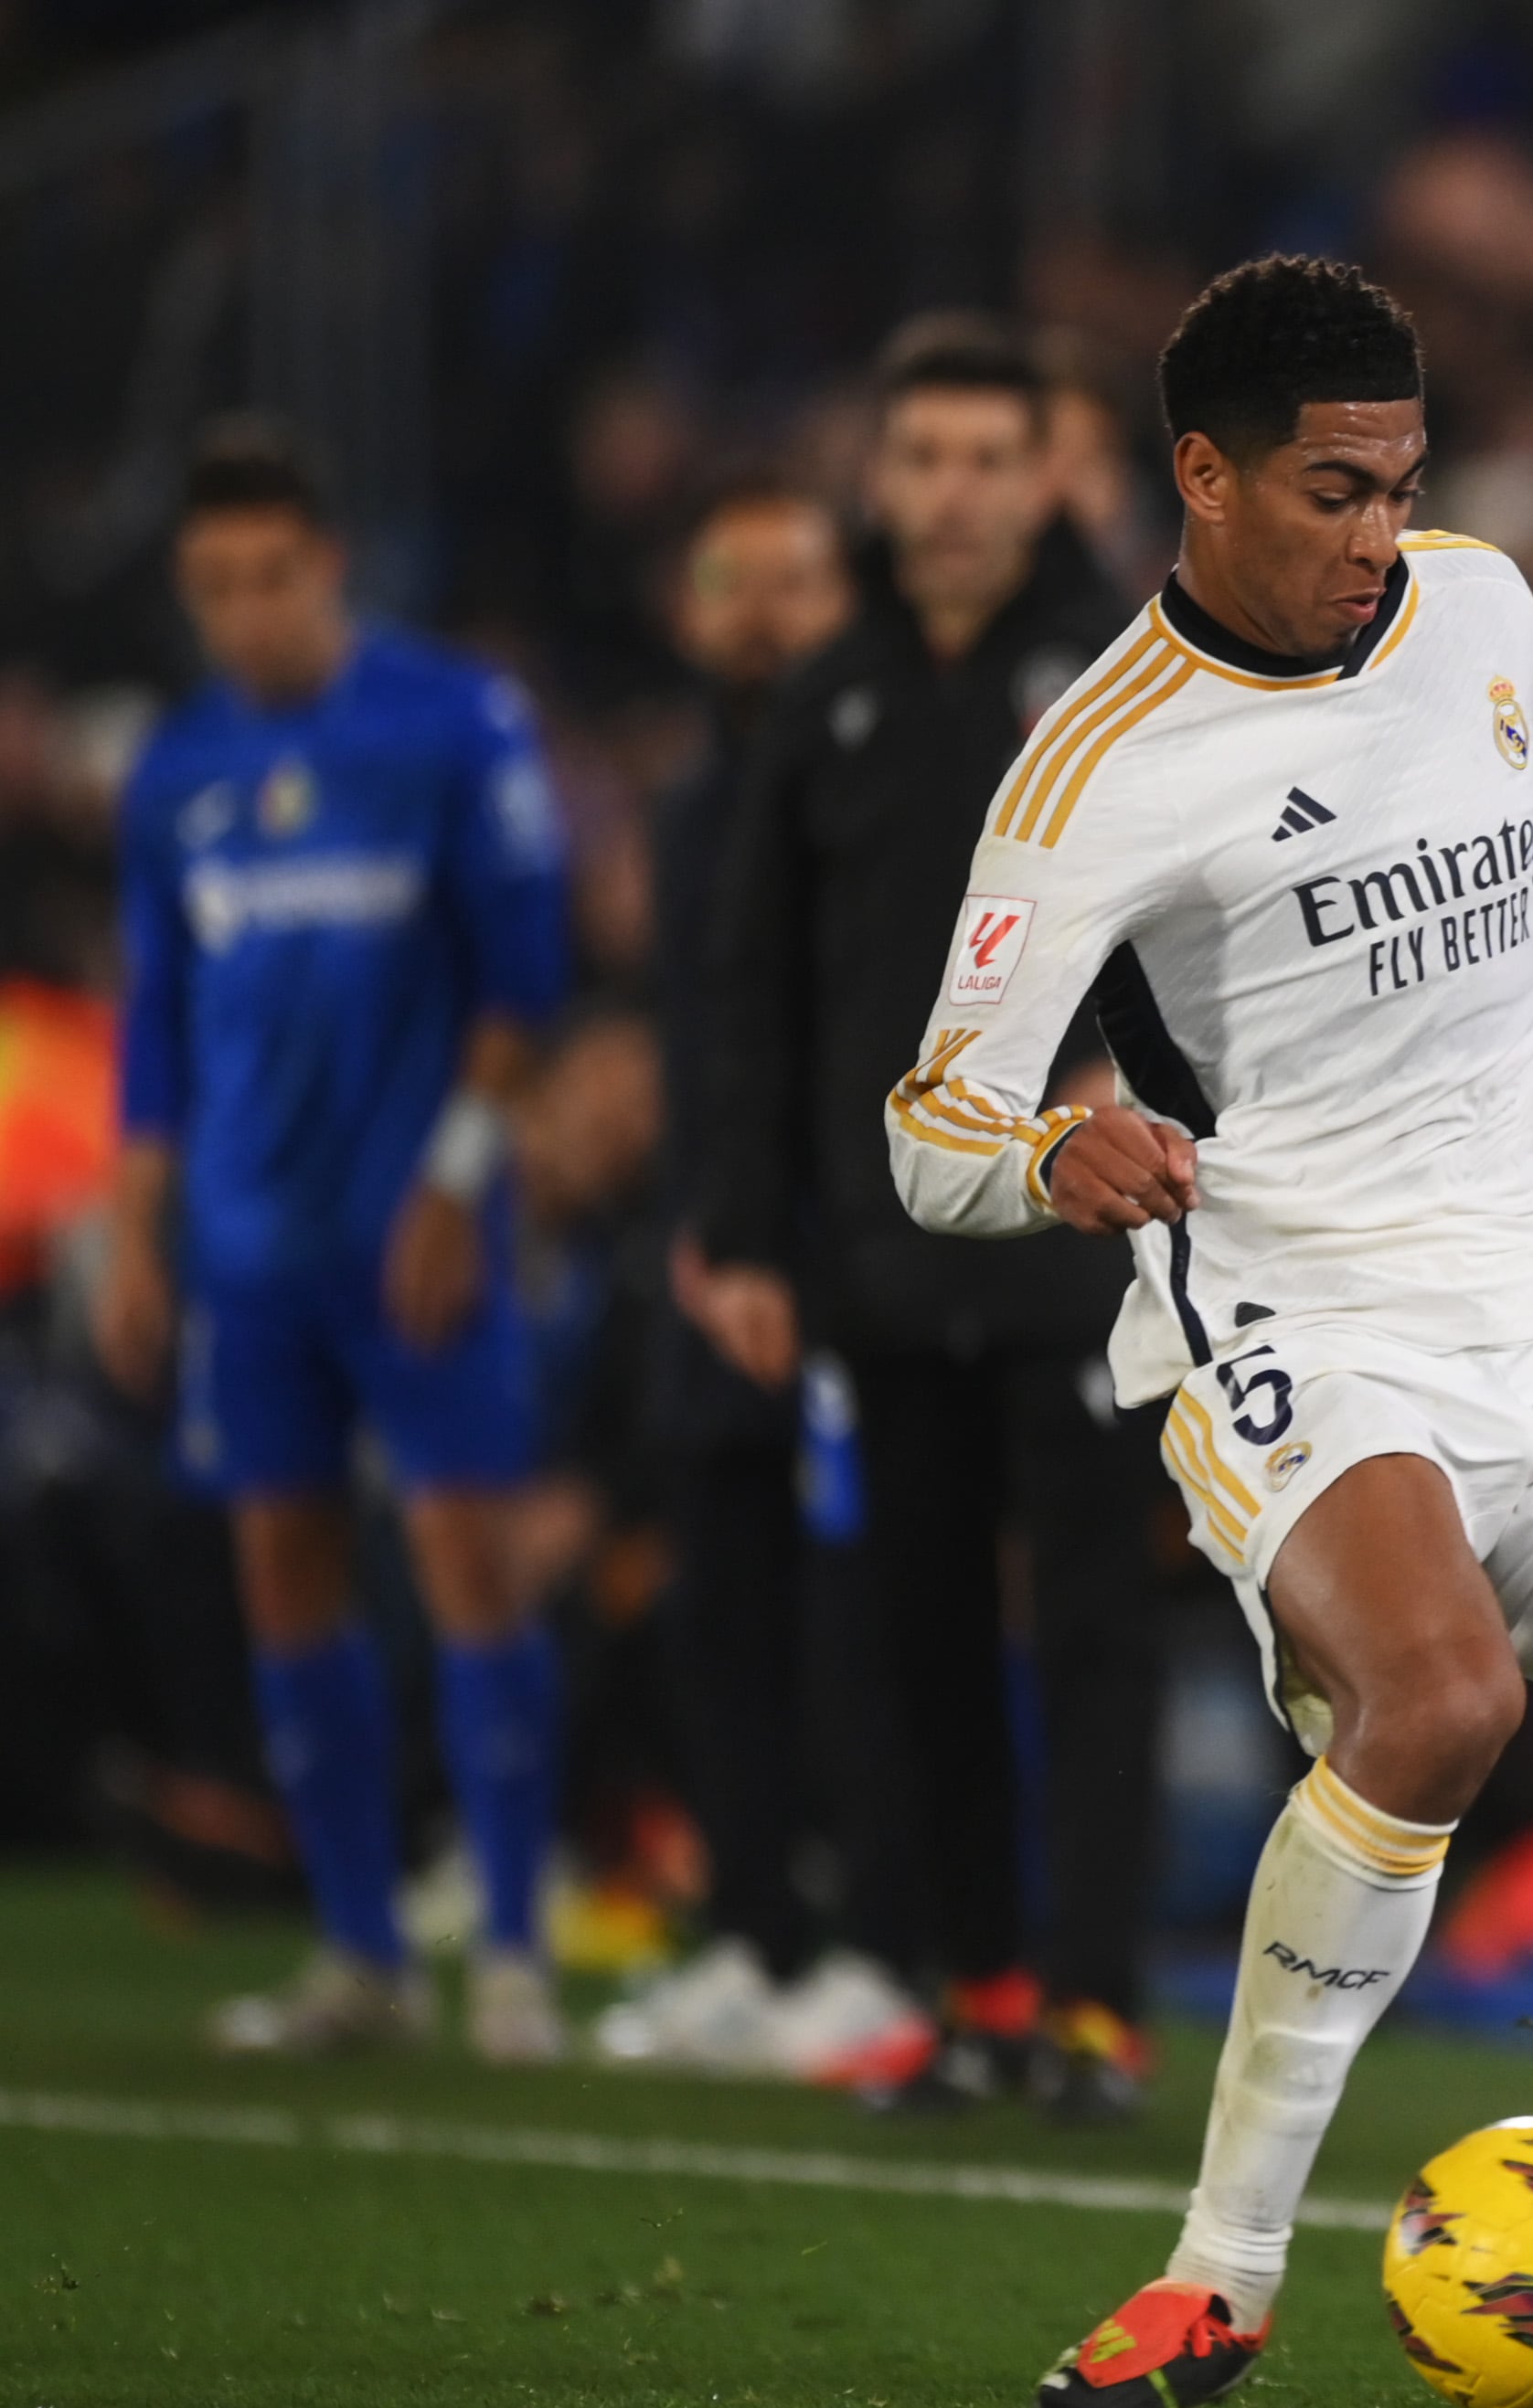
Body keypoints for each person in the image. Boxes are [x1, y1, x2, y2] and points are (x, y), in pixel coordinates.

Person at [882, 254, 1533, 2408]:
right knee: (1434, 1698)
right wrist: (1050, 1149)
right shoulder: (1090, 772)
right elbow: (925, 1130)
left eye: (1399, 485)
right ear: (1199, 474)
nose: (1378, 535)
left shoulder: (1482, 611)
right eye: (1334, 492)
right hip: (1294, 1303)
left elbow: (1474, 908)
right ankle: (1214, 2273)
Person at [689, 316, 1165, 2123]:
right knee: (922, 1632)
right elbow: (755, 983)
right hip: (889, 1253)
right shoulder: (826, 698)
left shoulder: (1119, 669)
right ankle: (976, 1995)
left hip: (1086, 1243)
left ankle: (1099, 2010)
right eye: (924, 459)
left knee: (1096, 1628)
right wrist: (741, 1227)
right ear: (876, 482)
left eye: (990, 456)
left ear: (1048, 471)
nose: (955, 493)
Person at [95, 428, 573, 2062]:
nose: (245, 613)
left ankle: (511, 1950)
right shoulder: (176, 772)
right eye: (214, 586)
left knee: (468, 1571)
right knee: (285, 1577)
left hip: (411, 1231)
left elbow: (524, 980)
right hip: (243, 1238)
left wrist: (455, 1180)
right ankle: (362, 1951)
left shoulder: (450, 722)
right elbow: (157, 1018)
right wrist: (135, 1232)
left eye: (270, 578)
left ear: (328, 567)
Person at [596, 477, 926, 2080]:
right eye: (733, 577)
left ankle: (875, 1941)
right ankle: (749, 1933)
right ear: (689, 607)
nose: (760, 609)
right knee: (717, 1606)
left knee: (853, 1620)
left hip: (843, 1262)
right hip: (713, 1250)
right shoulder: (685, 807)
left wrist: (806, 1239)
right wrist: (710, 1224)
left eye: (794, 579)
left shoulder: (869, 784)